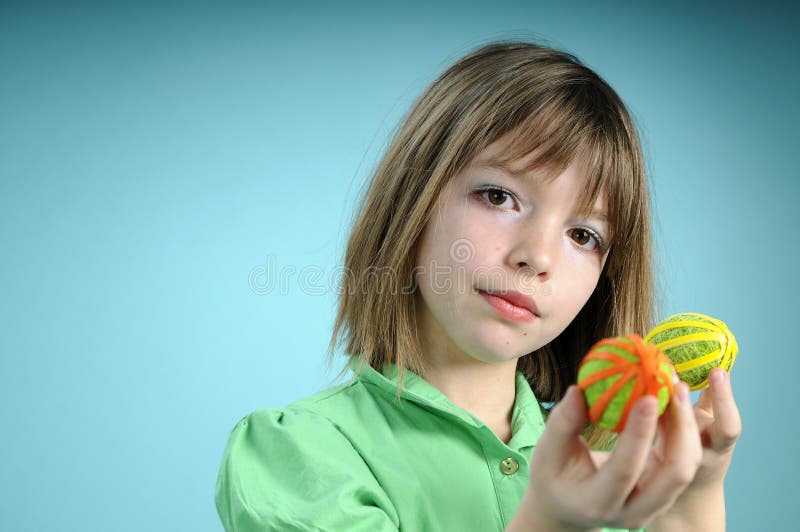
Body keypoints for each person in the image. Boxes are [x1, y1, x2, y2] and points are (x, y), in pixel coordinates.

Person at [214, 40, 741, 531]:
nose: (535, 256)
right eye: (498, 197)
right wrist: (549, 520)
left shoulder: (609, 470)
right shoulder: (300, 455)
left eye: (583, 235)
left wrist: (691, 500)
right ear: (413, 199)